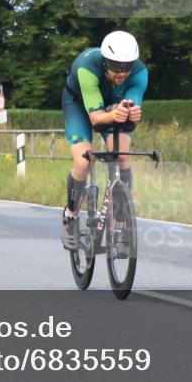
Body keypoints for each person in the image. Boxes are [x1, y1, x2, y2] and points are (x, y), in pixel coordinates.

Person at [60, 31, 148, 250]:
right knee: (84, 161)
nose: (122, 73)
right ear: (105, 61)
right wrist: (115, 114)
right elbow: (96, 119)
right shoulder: (87, 66)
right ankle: (70, 215)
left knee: (122, 157)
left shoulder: (139, 73)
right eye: (116, 66)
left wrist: (133, 115)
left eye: (127, 66)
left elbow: (130, 113)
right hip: (79, 105)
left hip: (113, 105)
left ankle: (119, 225)